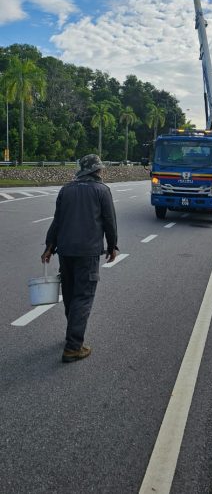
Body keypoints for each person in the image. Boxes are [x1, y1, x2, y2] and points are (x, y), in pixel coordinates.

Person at [41, 154, 118, 363]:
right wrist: (112, 247)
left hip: (65, 252)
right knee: (83, 297)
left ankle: (72, 336)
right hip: (87, 253)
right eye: (100, 169)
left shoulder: (66, 189)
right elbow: (109, 222)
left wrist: (49, 247)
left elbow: (57, 221)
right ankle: (74, 347)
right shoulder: (102, 191)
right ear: (96, 171)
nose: (102, 172)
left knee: (70, 294)